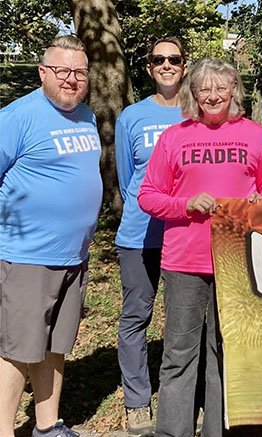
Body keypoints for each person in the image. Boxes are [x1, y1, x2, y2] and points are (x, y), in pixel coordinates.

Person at [137, 57, 262, 437]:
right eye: (205, 89)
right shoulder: (175, 136)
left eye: (222, 88)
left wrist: (259, 204)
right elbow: (149, 196)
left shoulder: (256, 135)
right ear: (193, 93)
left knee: (227, 354)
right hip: (184, 260)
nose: (214, 96)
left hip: (237, 260)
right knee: (178, 355)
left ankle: (220, 430)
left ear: (234, 90)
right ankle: (173, 431)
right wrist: (185, 204)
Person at [0, 35, 101, 437]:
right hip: (26, 255)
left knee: (54, 346)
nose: (71, 80)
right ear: (43, 72)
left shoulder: (87, 116)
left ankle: (47, 425)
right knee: (15, 351)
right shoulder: (16, 117)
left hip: (74, 255)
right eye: (62, 71)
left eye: (79, 72)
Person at [113, 36, 188, 436]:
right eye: (158, 59)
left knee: (182, 322)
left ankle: (181, 395)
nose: (166, 65)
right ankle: (137, 402)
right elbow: (128, 182)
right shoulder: (131, 117)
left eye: (173, 59)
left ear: (184, 65)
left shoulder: (196, 115)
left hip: (186, 236)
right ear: (148, 67)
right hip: (139, 236)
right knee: (136, 317)